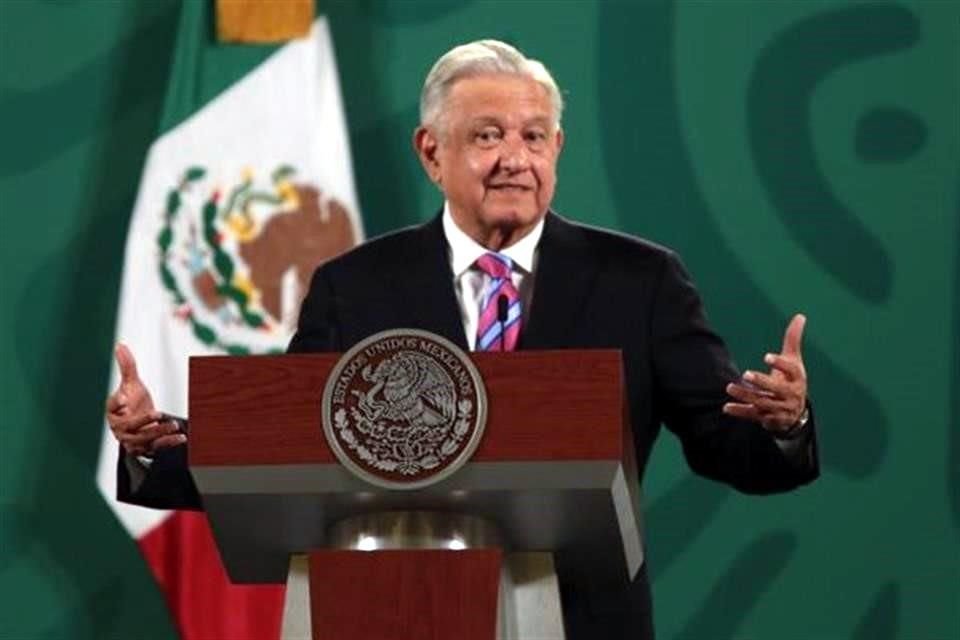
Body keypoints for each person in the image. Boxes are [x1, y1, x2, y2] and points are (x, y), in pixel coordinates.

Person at [107, 39, 817, 639]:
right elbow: (289, 447)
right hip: (391, 614)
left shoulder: (641, 280)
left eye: (533, 136)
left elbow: (726, 443)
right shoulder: (354, 286)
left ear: (557, 148)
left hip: (583, 620)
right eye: (487, 136)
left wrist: (782, 425)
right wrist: (153, 444)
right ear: (431, 152)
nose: (514, 158)